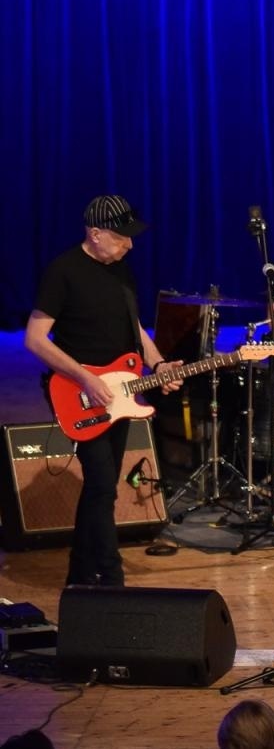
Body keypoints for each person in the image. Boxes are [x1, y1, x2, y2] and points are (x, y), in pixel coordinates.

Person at [24, 195, 182, 586]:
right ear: (95, 235)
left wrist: (159, 364)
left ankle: (80, 573)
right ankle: (112, 579)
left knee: (103, 486)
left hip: (120, 392)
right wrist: (85, 378)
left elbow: (137, 329)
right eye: (120, 237)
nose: (129, 244)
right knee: (100, 483)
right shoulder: (63, 272)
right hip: (79, 392)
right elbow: (35, 339)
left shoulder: (122, 271)